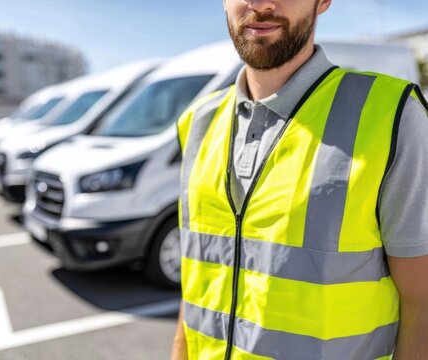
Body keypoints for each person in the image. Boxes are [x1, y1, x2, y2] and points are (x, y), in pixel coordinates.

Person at [171, 0, 428, 359]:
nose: (261, 4)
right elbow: (196, 280)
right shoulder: (197, 121)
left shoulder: (393, 114)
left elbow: (423, 304)